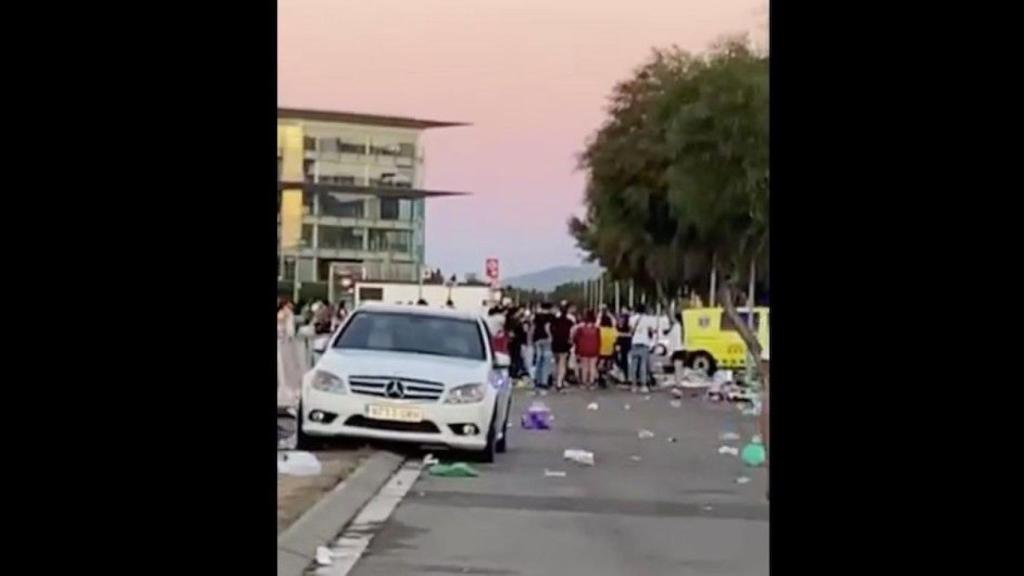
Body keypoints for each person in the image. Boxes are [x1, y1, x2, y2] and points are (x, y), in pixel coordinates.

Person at [627, 303, 661, 394]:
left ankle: (633, 385)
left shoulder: (632, 318)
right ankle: (643, 385)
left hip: (635, 342)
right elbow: (652, 330)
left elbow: (630, 330)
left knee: (634, 365)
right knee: (643, 365)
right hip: (644, 343)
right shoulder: (647, 319)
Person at [573, 310, 601, 391]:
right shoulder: (596, 329)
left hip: (583, 349)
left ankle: (584, 382)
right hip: (594, 349)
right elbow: (599, 340)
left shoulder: (581, 328)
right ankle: (591, 383)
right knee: (592, 366)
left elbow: (576, 339)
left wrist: (577, 351)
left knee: (584, 366)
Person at [531, 302, 555, 393]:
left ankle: (537, 379)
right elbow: (547, 327)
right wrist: (550, 336)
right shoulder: (550, 317)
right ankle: (544, 381)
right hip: (546, 339)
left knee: (538, 360)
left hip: (537, 339)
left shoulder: (536, 316)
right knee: (546, 361)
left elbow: (533, 328)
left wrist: (531, 339)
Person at [550, 304, 575, 392]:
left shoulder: (555, 321)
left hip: (555, 343)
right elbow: (572, 333)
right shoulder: (570, 322)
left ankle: (557, 379)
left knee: (557, 362)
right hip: (564, 343)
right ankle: (559, 382)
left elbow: (551, 331)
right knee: (562, 363)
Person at [598, 314, 618, 387]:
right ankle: (605, 377)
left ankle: (600, 376)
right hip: (610, 350)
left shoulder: (600, 330)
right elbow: (616, 340)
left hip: (600, 350)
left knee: (601, 364)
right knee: (608, 365)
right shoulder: (613, 330)